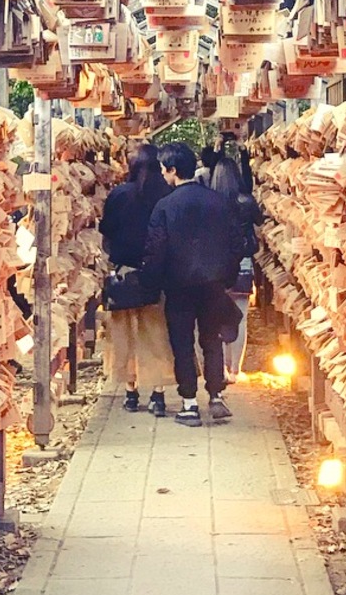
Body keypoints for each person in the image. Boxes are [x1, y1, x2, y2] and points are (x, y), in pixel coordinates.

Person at [137, 142, 243, 427]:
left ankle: (189, 403)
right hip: (213, 284)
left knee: (182, 344)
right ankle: (216, 395)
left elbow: (155, 249)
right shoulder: (218, 201)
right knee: (211, 340)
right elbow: (237, 243)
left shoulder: (165, 206)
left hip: (178, 285)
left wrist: (152, 283)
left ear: (172, 170)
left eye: (163, 170)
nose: (162, 175)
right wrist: (227, 277)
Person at [100, 143, 174, 416]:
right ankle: (159, 392)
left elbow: (105, 228)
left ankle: (130, 391)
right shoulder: (165, 194)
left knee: (124, 334)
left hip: (124, 272)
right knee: (155, 334)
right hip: (156, 273)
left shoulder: (119, 194)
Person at [209, 158, 262, 383]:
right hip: (242, 263)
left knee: (215, 318)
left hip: (216, 265)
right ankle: (235, 370)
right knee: (240, 318)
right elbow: (260, 221)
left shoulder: (210, 203)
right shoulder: (246, 201)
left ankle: (218, 368)